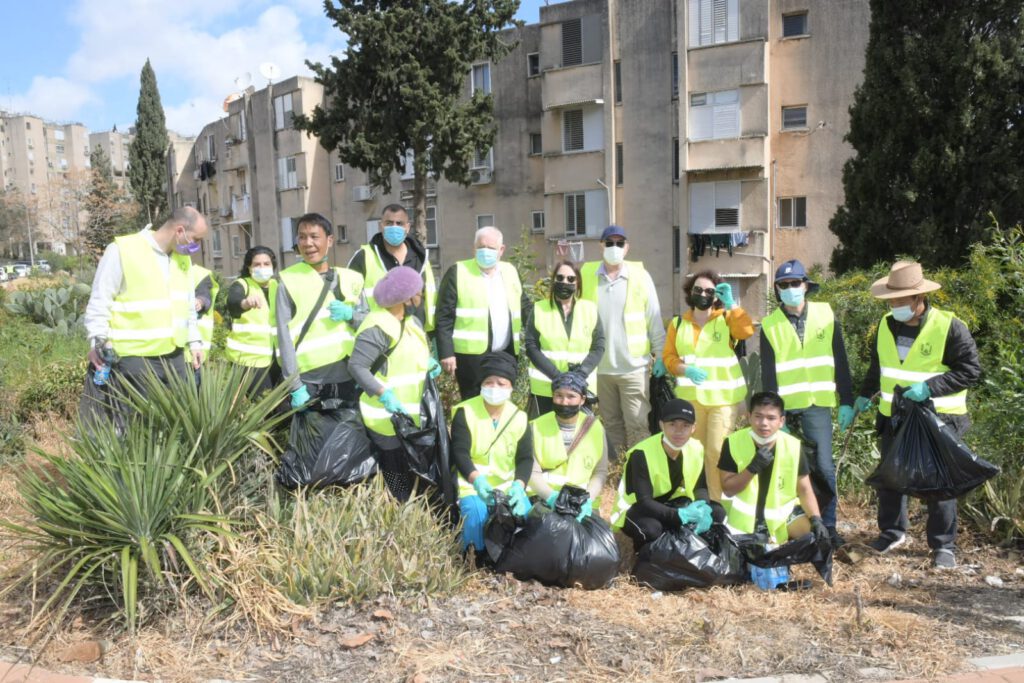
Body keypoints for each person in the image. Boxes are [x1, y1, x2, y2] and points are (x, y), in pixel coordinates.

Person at [855, 261, 981, 569]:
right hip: (894, 415)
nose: (894, 305)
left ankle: (943, 545)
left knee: (939, 483)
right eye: (891, 300)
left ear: (918, 299)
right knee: (891, 477)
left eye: (900, 300)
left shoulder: (950, 327)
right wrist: (863, 394)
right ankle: (892, 532)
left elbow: (970, 370)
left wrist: (929, 387)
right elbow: (879, 367)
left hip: (938, 418)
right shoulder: (886, 325)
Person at [759, 259, 855, 548]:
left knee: (824, 468)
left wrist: (847, 400)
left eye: (795, 284)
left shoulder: (826, 314)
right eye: (784, 285)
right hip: (786, 410)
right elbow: (768, 375)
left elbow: (840, 359)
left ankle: (828, 528)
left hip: (817, 406)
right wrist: (775, 416)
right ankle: (798, 527)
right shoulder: (769, 325)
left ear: (806, 286)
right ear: (777, 290)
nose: (790, 289)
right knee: (790, 471)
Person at [82, 207, 209, 419]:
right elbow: (100, 299)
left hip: (174, 356)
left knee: (174, 420)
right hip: (134, 357)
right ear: (180, 231)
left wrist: (195, 341)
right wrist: (98, 341)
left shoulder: (182, 259)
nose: (197, 247)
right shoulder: (123, 249)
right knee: (136, 422)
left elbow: (186, 306)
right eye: (196, 239)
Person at [349, 266, 440, 501]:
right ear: (407, 297)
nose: (421, 298)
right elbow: (357, 367)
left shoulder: (411, 322)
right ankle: (399, 514)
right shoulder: (377, 326)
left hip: (411, 417)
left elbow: (409, 354)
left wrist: (428, 362)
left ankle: (415, 512)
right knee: (396, 474)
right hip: (385, 417)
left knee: (416, 474)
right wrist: (383, 394)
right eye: (419, 292)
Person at [663, 269, 753, 501]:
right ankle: (695, 501)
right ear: (690, 292)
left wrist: (732, 304)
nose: (703, 294)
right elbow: (669, 358)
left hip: (722, 400)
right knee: (693, 453)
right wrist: (685, 370)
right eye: (698, 290)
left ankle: (715, 504)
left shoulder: (725, 318)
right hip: (690, 400)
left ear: (716, 296)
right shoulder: (677, 324)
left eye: (709, 291)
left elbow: (745, 331)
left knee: (716, 452)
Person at [580, 225, 667, 456]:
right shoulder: (587, 275)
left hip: (633, 369)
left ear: (627, 248)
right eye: (609, 243)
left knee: (637, 425)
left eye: (620, 243)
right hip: (600, 369)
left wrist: (661, 356)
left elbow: (654, 319)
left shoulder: (640, 276)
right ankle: (616, 475)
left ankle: (639, 475)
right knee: (611, 426)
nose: (614, 247)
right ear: (601, 246)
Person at [275, 213, 366, 410]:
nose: (307, 243)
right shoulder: (288, 281)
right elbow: (284, 337)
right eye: (301, 237)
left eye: (314, 237)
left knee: (350, 439)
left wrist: (352, 316)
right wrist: (295, 385)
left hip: (350, 377)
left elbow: (369, 324)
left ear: (330, 240)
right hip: (309, 381)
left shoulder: (352, 278)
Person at [718, 392, 830, 551]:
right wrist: (752, 468)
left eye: (771, 418)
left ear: (781, 421)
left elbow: (805, 490)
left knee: (816, 540)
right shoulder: (733, 442)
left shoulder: (793, 445)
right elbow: (728, 490)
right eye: (758, 416)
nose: (764, 423)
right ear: (749, 417)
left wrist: (816, 519)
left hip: (780, 519)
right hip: (742, 520)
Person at [611, 398, 725, 548]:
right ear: (661, 425)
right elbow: (644, 502)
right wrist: (679, 516)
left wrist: (703, 506)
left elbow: (700, 486)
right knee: (651, 529)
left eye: (685, 425)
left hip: (671, 502)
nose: (679, 431)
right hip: (639, 508)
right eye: (672, 424)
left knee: (717, 512)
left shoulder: (695, 448)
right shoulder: (641, 453)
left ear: (693, 428)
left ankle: (678, 540)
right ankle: (644, 554)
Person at [451, 351, 533, 554]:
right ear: (481, 385)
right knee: (476, 515)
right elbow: (460, 452)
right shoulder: (465, 412)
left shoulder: (519, 417)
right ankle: (473, 559)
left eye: (501, 383)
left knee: (526, 523)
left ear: (511, 387)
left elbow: (525, 458)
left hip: (507, 486)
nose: (494, 388)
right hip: (472, 485)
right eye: (489, 382)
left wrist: (519, 486)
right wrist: (477, 481)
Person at [435, 226, 524, 399]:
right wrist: (446, 353)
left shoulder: (510, 271)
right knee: (473, 401)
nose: (486, 252)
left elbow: (524, 304)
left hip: (505, 352)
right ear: (474, 248)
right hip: (470, 358)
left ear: (501, 250)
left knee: (502, 400)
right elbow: (444, 316)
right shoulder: (458, 271)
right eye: (481, 247)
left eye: (491, 248)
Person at [524, 261, 605, 416]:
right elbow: (531, 346)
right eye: (560, 278)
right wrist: (557, 377)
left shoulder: (590, 309)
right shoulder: (539, 309)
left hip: (580, 389)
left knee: (579, 437)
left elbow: (599, 346)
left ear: (578, 283)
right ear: (554, 281)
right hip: (545, 389)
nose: (564, 282)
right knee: (544, 435)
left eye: (570, 279)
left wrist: (580, 375)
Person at [527, 372, 610, 520]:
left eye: (571, 396)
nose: (564, 402)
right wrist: (552, 497)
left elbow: (600, 472)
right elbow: (532, 472)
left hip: (582, 503)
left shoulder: (595, 428)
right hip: (544, 500)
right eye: (559, 395)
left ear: (582, 399)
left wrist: (587, 499)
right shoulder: (535, 427)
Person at [347, 203, 436, 332]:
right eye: (389, 223)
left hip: (416, 335)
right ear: (381, 226)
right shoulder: (363, 257)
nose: (394, 227)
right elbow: (348, 299)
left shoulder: (421, 258)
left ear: (407, 227)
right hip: (379, 337)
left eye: (399, 223)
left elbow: (429, 299)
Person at [224, 246, 279, 394]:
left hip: (277, 358)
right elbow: (233, 303)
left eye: (266, 264)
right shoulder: (241, 285)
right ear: (249, 267)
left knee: (282, 407)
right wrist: (245, 303)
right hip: (250, 360)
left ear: (273, 266)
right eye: (257, 264)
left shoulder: (278, 286)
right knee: (264, 406)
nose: (262, 268)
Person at [186, 262, 219, 369]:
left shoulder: (199, 273)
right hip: (161, 350)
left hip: (191, 353)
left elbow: (205, 296)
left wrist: (200, 302)